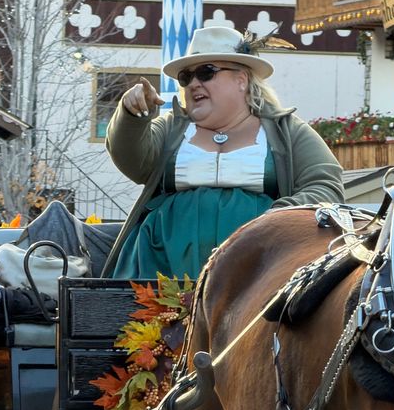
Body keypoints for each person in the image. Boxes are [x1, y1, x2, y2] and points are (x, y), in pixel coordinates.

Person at [101, 25, 344, 280]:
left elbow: (325, 184)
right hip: (160, 264)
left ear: (241, 80)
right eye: (186, 77)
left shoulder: (286, 130)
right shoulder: (170, 129)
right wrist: (131, 116)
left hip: (259, 269)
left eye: (206, 72)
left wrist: (278, 216)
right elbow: (131, 159)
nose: (193, 83)